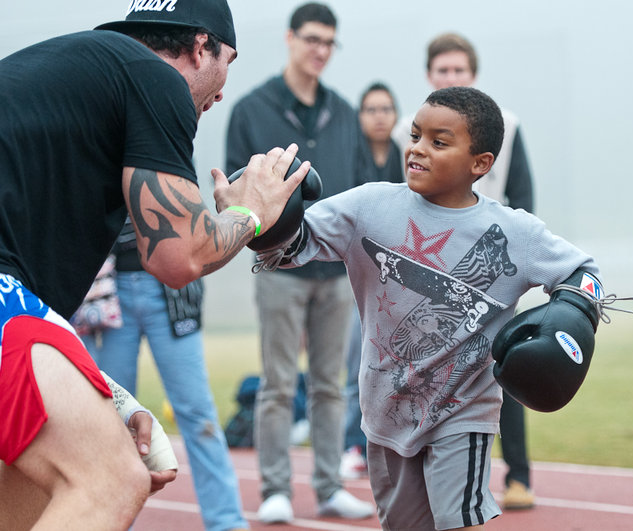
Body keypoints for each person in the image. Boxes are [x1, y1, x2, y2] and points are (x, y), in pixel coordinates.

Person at [0, 1, 307, 529]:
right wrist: (250, 211)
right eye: (228, 60)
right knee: (110, 479)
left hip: (20, 302)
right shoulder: (153, 78)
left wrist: (108, 397)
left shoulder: (75, 74)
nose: (223, 88)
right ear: (199, 45)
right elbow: (177, 256)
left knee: (27, 497)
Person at [258, 86, 603, 530]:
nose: (418, 149)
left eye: (439, 143)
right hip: (385, 412)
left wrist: (571, 318)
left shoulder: (513, 232)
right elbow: (292, 244)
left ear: (480, 164)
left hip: (463, 412)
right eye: (417, 135)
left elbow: (584, 272)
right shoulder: (369, 206)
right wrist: (260, 216)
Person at [225, 2, 374, 524]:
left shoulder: (345, 112)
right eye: (312, 38)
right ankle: (275, 491)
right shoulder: (251, 109)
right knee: (278, 383)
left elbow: (358, 192)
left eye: (330, 42)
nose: (321, 50)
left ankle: (331, 487)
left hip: (335, 272)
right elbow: (237, 194)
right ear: (290, 38)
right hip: (278, 267)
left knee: (332, 384)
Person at [393, 31, 537, 510]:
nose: (451, 77)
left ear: (473, 75)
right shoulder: (404, 130)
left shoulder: (507, 126)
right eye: (443, 71)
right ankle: (428, 468)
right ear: (430, 76)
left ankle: (518, 474)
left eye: (459, 70)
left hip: (491, 268)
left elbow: (524, 194)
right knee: (432, 370)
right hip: (431, 268)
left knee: (505, 365)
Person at [80, 218, 249, 531]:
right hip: (107, 290)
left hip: (171, 289)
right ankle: (113, 523)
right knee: (110, 422)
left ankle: (227, 523)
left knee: (199, 413)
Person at [340, 82, 406, 480]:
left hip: (402, 283)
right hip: (358, 280)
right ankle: (353, 444)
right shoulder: (349, 160)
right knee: (356, 367)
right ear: (360, 116)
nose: (379, 115)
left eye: (386, 108)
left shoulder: (410, 156)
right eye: (370, 109)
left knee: (400, 367)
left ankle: (395, 443)